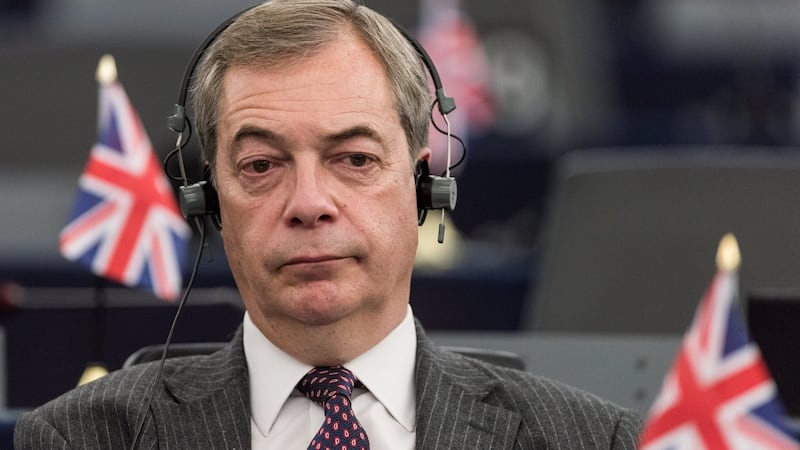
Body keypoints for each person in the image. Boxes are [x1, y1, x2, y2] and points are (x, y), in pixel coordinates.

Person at [14, 0, 642, 448]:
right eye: (261, 165)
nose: (309, 202)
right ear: (209, 202)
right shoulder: (82, 438)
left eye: (355, 160)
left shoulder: (595, 440)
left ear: (423, 187)